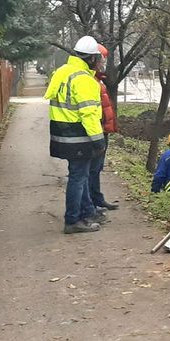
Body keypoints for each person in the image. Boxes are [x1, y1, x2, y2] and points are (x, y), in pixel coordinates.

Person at [45, 35, 108, 234]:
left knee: (78, 175)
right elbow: (88, 114)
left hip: (61, 133)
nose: (100, 61)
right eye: (98, 58)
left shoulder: (63, 72)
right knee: (78, 177)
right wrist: (99, 141)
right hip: (78, 136)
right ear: (90, 58)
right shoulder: (85, 80)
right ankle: (73, 220)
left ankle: (87, 212)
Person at [89, 44, 120, 212]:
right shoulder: (91, 81)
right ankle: (92, 203)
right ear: (94, 59)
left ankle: (96, 200)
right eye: (102, 59)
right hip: (97, 131)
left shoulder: (98, 79)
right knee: (92, 169)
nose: (103, 63)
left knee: (96, 168)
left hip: (102, 130)